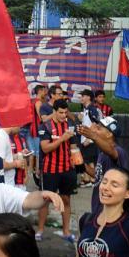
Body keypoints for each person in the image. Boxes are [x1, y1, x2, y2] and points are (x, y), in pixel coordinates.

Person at [37, 99, 77, 242]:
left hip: (67, 169)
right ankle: (40, 230)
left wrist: (77, 162)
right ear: (54, 111)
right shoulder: (45, 126)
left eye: (66, 112)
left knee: (66, 199)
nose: (63, 115)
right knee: (46, 200)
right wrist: (62, 138)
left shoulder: (70, 125)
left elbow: (73, 147)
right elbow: (45, 148)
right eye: (61, 112)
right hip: (50, 170)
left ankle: (66, 231)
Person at [78, 116, 129, 214]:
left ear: (109, 134)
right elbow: (99, 175)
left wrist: (93, 136)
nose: (96, 129)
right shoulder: (102, 153)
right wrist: (82, 165)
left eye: (99, 128)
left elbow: (112, 152)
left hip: (109, 209)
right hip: (97, 205)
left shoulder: (119, 151)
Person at [78, 89, 103, 187]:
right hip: (85, 139)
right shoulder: (85, 109)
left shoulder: (92, 109)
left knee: (90, 161)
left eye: (83, 96)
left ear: (88, 97)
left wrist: (90, 139)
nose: (81, 98)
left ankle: (93, 180)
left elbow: (96, 124)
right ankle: (88, 179)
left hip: (89, 140)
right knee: (87, 160)